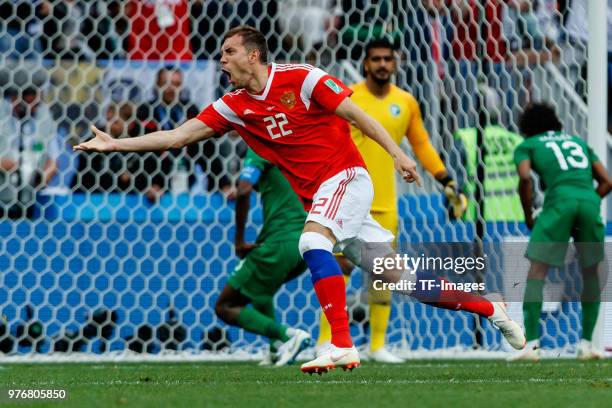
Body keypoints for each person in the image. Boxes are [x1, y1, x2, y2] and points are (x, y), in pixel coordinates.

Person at [74, 25, 525, 374]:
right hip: (325, 196)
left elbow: (356, 115)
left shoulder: (304, 79)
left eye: (229, 52)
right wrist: (116, 145)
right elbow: (177, 137)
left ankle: (341, 344)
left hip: (348, 177)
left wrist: (398, 154)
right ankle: (491, 306)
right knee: (402, 279)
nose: (222, 59)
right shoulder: (234, 105)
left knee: (311, 244)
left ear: (253, 55)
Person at [315, 38, 467, 363]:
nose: (382, 64)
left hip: (386, 203)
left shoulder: (406, 102)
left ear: (395, 63)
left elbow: (422, 145)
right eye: (376, 59)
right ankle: (326, 342)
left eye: (388, 59)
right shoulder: (348, 96)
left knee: (383, 271)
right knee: (339, 266)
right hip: (348, 198)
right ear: (365, 64)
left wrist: (447, 181)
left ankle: (377, 345)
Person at [512, 103, 612, 361]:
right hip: (589, 202)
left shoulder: (528, 145)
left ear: (526, 128)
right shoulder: (577, 142)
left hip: (558, 203)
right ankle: (587, 345)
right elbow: (608, 181)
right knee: (592, 272)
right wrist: (588, 199)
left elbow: (524, 177)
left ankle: (531, 346)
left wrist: (528, 214)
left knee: (537, 271)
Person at [215, 148, 311, 366]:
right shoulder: (293, 142)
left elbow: (244, 189)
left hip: (280, 242)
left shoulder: (260, 143)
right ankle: (276, 348)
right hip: (307, 242)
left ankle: (289, 336)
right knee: (261, 291)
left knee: (224, 306)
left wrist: (238, 241)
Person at [0, 86, 60, 218]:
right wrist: (7, 165)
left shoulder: (44, 117)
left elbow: (53, 161)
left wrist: (44, 177)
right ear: (16, 97)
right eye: (30, 103)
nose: (35, 108)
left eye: (37, 104)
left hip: (29, 200)